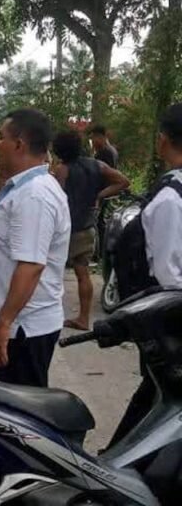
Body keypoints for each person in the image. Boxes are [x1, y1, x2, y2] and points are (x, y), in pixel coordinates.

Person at [0, 109, 71, 388]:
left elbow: (31, 265)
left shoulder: (34, 196)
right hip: (19, 325)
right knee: (11, 409)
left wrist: (4, 325)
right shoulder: (24, 189)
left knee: (22, 414)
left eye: (1, 138)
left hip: (24, 328)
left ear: (19, 144)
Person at [107, 104, 182, 447]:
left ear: (163, 140)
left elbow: (168, 276)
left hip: (170, 323)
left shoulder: (168, 198)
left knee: (157, 401)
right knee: (158, 400)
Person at [52, 130, 129, 331]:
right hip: (87, 227)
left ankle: (47, 315)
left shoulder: (62, 170)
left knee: (49, 272)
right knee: (82, 273)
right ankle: (83, 318)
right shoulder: (98, 165)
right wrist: (100, 195)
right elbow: (123, 181)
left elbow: (55, 199)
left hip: (65, 228)